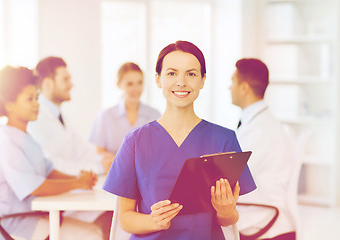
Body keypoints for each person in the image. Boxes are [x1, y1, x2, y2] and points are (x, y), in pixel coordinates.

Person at [103, 41, 256, 240]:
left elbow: (229, 218)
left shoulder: (224, 139)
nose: (181, 82)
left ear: (202, 80)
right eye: (172, 73)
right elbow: (124, 217)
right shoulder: (135, 141)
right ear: (158, 79)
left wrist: (226, 211)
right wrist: (154, 221)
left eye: (191, 74)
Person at [0, 66, 102, 240]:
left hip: (28, 216)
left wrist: (80, 180)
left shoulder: (25, 137)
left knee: (95, 230)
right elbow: (35, 186)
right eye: (30, 99)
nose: (37, 104)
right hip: (8, 224)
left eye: (37, 97)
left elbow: (48, 171)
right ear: (9, 105)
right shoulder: (6, 140)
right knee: (92, 235)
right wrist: (77, 183)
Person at [27, 56, 112, 239]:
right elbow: (52, 164)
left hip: (67, 196)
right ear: (48, 84)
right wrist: (99, 167)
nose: (71, 84)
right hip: (52, 204)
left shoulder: (59, 114)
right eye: (65, 79)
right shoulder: (36, 119)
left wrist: (104, 159)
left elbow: (80, 149)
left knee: (114, 215)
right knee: (110, 219)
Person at [229, 58, 296, 239]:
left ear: (244, 87)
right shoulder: (260, 122)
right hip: (262, 211)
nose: (229, 88)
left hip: (266, 222)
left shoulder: (260, 130)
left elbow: (232, 176)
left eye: (233, 81)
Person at [88, 62, 160, 172]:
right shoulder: (106, 115)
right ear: (119, 85)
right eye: (130, 84)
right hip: (113, 175)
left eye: (139, 83)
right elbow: (98, 151)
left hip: (145, 175)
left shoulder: (154, 115)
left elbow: (158, 151)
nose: (136, 88)